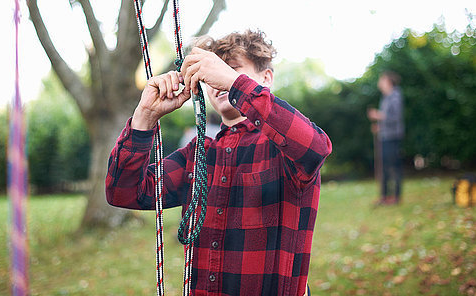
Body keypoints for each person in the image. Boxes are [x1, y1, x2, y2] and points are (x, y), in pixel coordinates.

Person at [106, 29, 332, 296]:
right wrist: (144, 117)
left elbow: (316, 147)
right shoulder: (198, 154)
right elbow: (123, 192)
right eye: (211, 74)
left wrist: (234, 84)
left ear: (266, 78)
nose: (217, 81)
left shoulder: (283, 146)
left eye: (232, 68)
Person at [367, 71, 404, 205]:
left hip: (393, 137)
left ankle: (395, 196)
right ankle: (384, 196)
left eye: (381, 80)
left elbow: (395, 118)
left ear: (388, 81)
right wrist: (379, 127)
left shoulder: (395, 96)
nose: (379, 83)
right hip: (385, 136)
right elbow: (387, 119)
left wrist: (378, 116)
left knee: (393, 166)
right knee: (385, 167)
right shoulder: (386, 97)